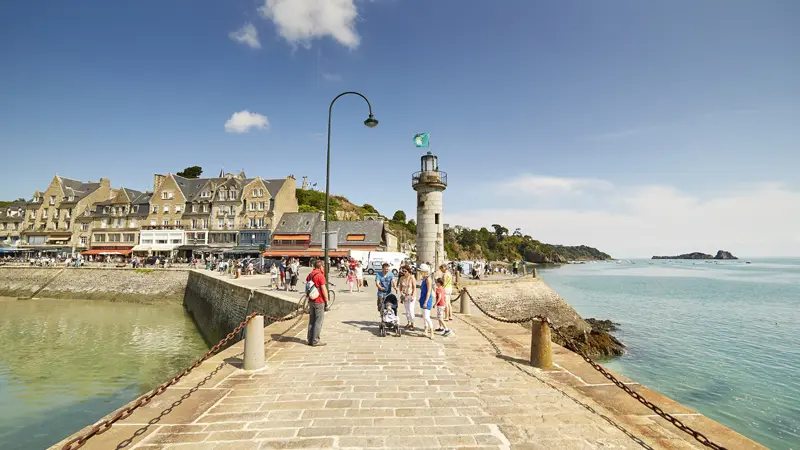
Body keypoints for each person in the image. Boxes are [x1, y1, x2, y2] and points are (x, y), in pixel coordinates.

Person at [306, 259, 329, 347]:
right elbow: (323, 289)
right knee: (318, 321)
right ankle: (315, 340)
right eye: (323, 266)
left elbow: (307, 286)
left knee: (311, 321)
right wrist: (326, 301)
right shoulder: (320, 276)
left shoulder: (310, 274)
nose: (324, 268)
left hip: (311, 300)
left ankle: (310, 339)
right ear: (320, 267)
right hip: (319, 300)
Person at [417, 264, 435, 339]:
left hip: (426, 299)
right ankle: (425, 330)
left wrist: (426, 301)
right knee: (424, 316)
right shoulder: (424, 278)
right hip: (423, 298)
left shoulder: (428, 279)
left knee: (427, 317)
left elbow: (429, 291)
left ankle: (432, 332)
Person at [398, 265, 416, 330]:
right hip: (405, 296)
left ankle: (412, 324)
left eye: (405, 271)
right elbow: (400, 287)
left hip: (411, 295)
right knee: (407, 310)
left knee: (411, 310)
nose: (404, 272)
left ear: (408, 271)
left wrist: (413, 296)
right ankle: (408, 322)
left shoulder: (412, 278)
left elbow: (414, 288)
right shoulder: (401, 278)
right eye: (403, 271)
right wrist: (401, 294)